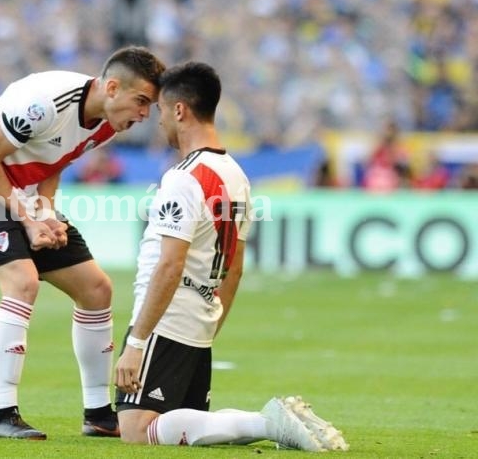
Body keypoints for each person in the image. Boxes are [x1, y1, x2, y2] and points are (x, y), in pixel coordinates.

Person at [114, 62, 349, 451]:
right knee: (188, 428)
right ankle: (282, 421)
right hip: (200, 321)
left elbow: (170, 264)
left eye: (159, 112)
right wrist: (209, 326)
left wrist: (137, 341)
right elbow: (235, 269)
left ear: (179, 110)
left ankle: (270, 422)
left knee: (137, 429)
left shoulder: (184, 178)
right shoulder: (236, 175)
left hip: (167, 319)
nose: (158, 124)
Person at [0, 46, 166, 439]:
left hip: (24, 196)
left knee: (97, 289)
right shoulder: (44, 104)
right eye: (142, 101)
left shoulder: (108, 122)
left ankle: (98, 413)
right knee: (22, 281)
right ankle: (2, 415)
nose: (145, 114)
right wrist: (28, 218)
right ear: (112, 87)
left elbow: (55, 162)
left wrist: (45, 211)